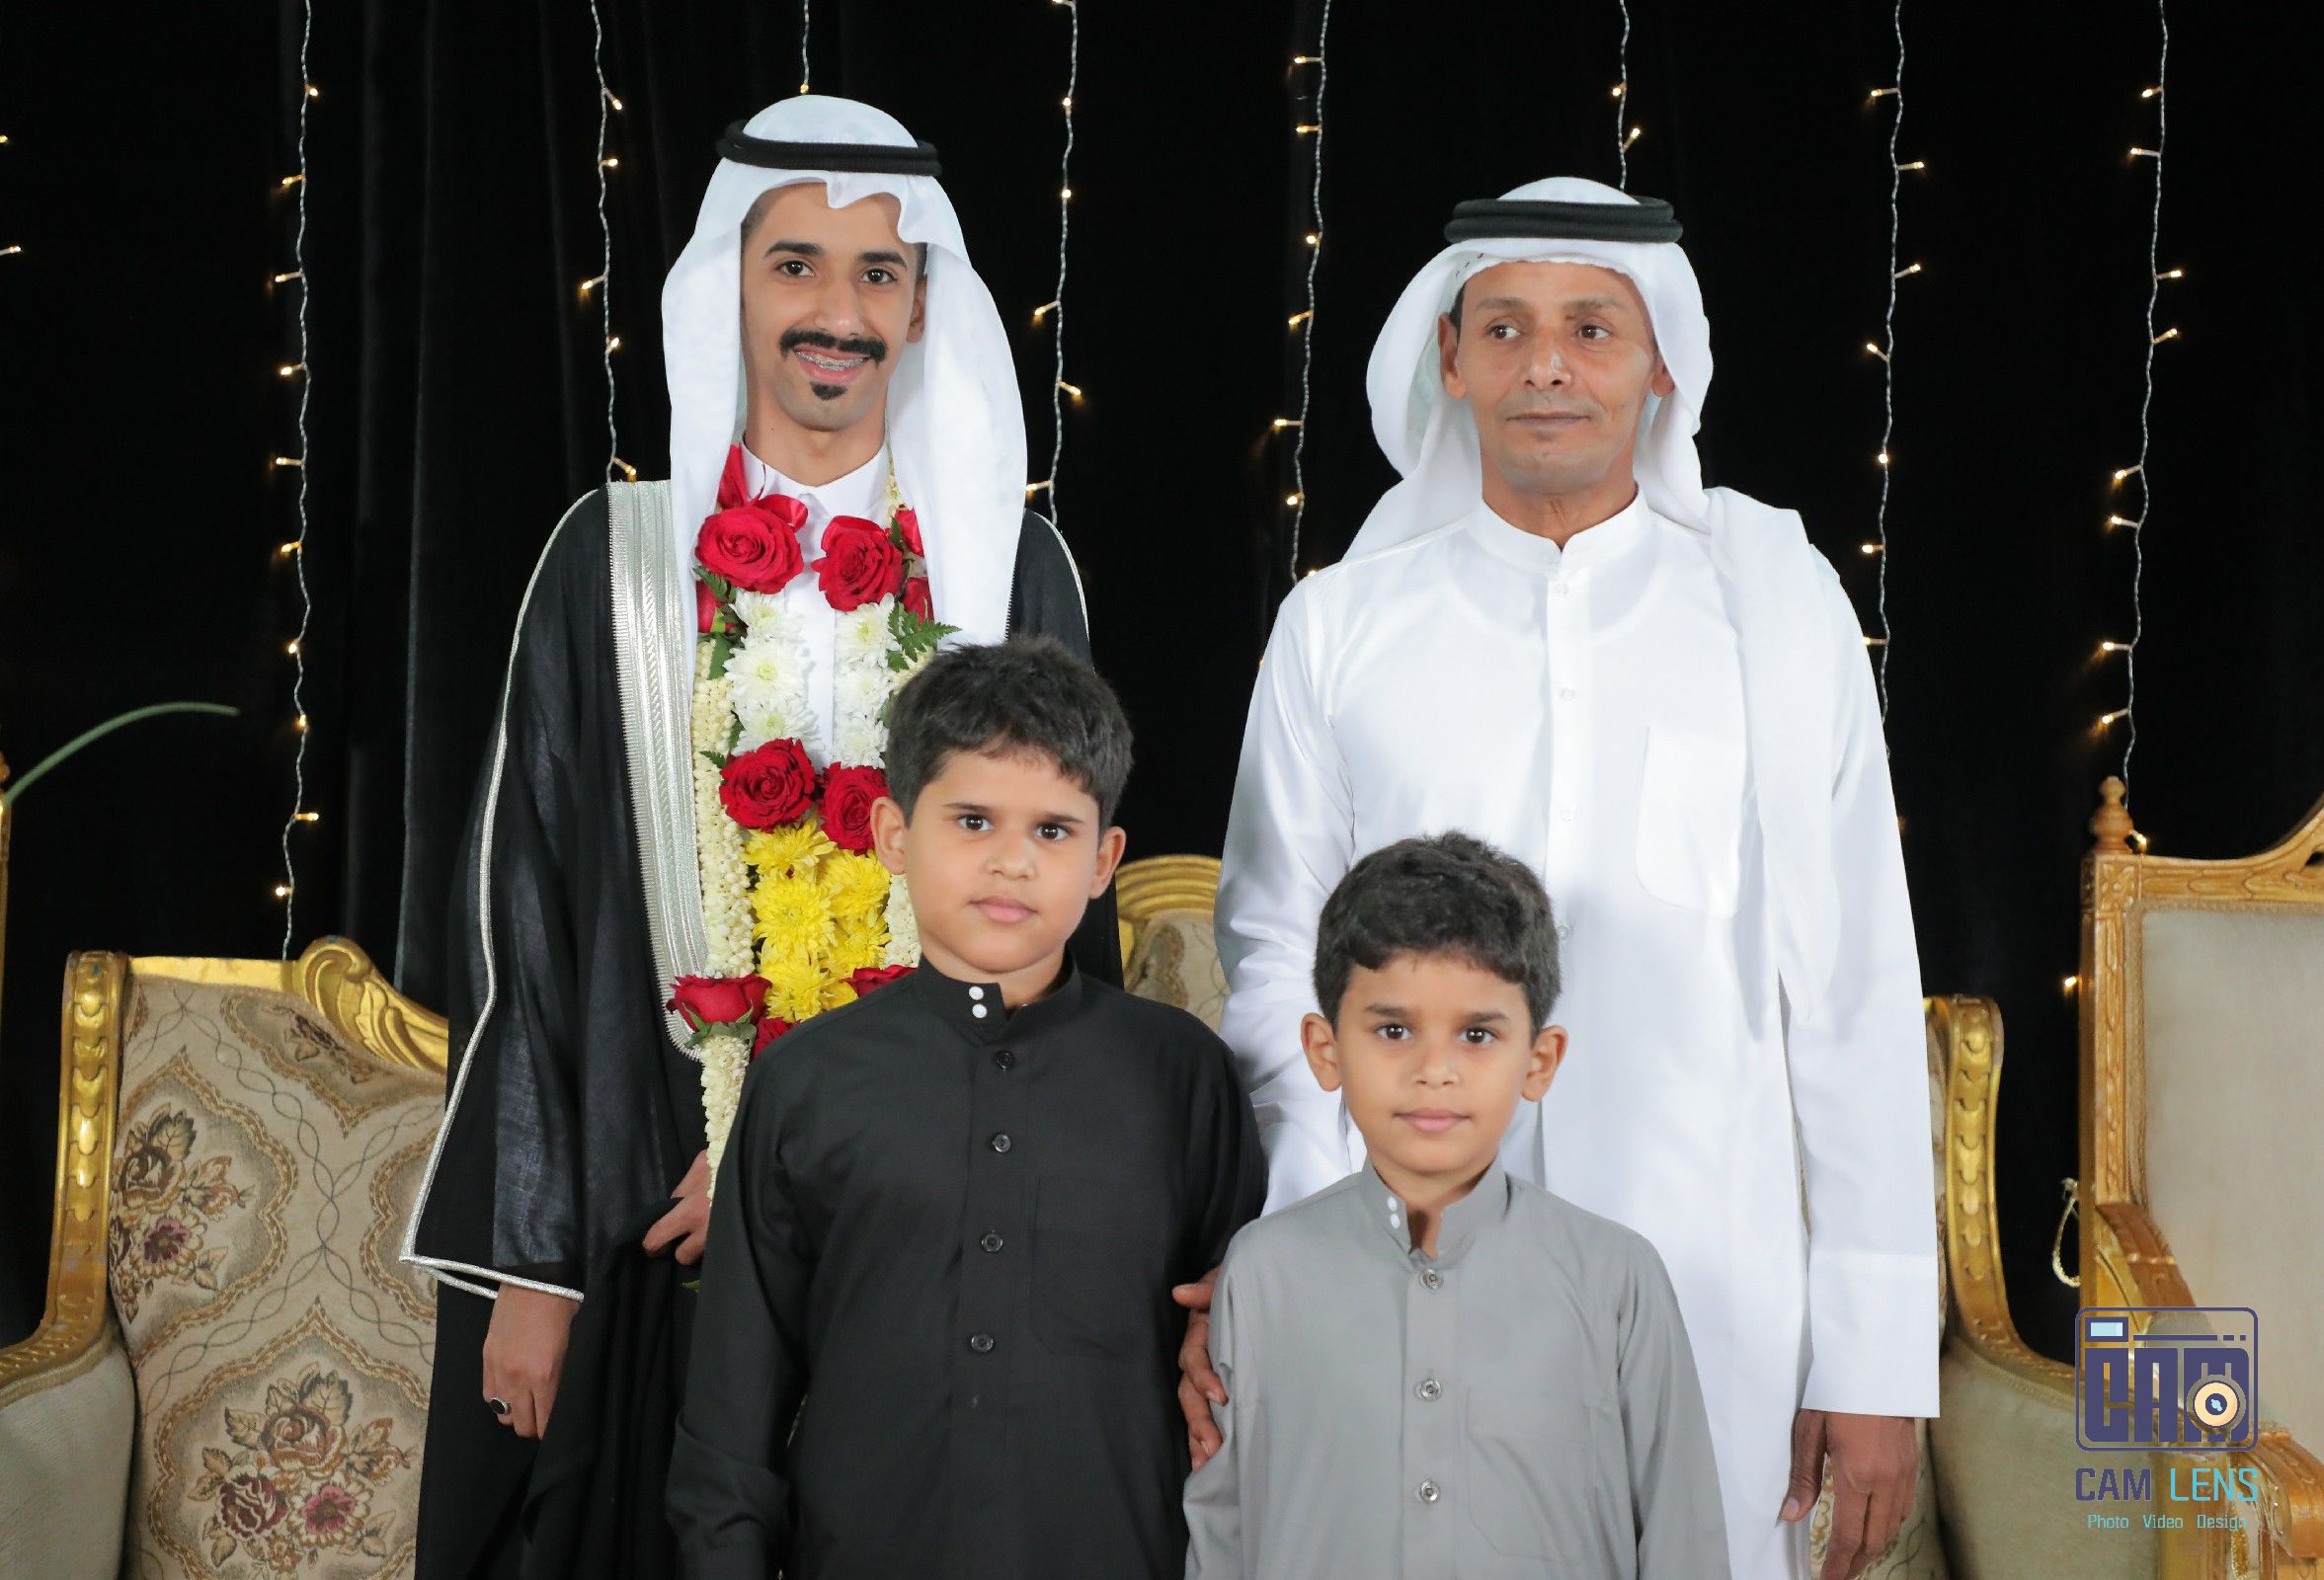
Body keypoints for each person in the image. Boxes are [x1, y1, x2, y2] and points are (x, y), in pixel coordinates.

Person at [402, 94, 1117, 1579]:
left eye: (877, 274)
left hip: (940, 1197)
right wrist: (533, 1266)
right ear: (728, 286)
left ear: (922, 311)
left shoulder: (1007, 567)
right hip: (650, 1201)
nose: (836, 312)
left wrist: (835, 1147)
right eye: (796, 265)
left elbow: (1058, 928)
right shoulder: (613, 563)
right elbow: (525, 920)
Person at [1186, 180, 1937, 1580]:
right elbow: (1276, 949)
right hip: (1398, 1261)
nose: (1547, 364)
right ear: (1450, 358)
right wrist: (1306, 1237)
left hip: (1712, 1273)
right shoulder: (1340, 626)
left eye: (1592, 328)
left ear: (1662, 364)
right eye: (1506, 328)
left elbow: (1854, 991)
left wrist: (1876, 1354)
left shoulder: (1774, 617)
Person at [668, 636, 1267, 1579]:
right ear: (894, 834)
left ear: (1105, 859)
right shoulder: (808, 1081)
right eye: (974, 821)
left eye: (1054, 831)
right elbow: (733, 1402)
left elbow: (1236, 1364)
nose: (1012, 862)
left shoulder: (1183, 1076)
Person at [1183, 832, 1730, 1579]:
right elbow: (1222, 1537)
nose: (1434, 1069)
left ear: (1539, 1060)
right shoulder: (1263, 1270)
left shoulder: (1617, 1279)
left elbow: (1683, 1540)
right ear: (1325, 1050)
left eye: (1477, 1034)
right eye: (1394, 1030)